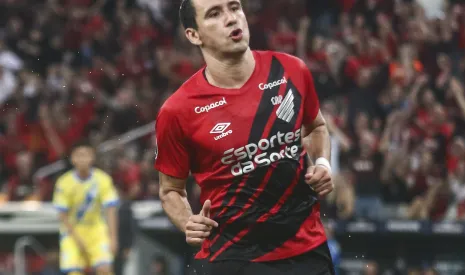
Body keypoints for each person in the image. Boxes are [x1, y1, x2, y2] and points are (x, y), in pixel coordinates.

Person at [154, 0, 335, 274]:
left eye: (234, 7)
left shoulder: (292, 71)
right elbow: (170, 190)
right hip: (231, 257)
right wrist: (188, 221)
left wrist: (322, 162)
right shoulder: (178, 110)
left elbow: (316, 127)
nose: (231, 18)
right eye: (214, 14)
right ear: (193, 34)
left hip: (307, 251)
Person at [52, 140, 119, 275]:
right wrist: (78, 239)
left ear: (92, 157)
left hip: (97, 231)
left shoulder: (103, 179)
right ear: (72, 158)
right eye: (79, 155)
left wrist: (113, 238)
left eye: (86, 155)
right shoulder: (64, 182)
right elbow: (62, 215)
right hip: (72, 232)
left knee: (105, 270)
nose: (82, 159)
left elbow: (111, 210)